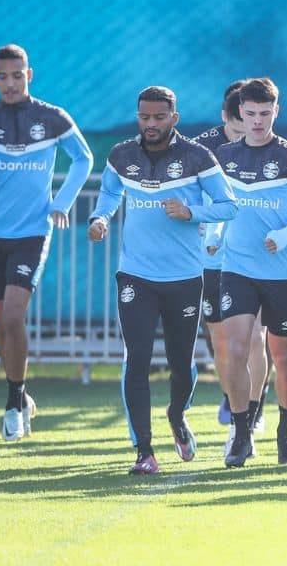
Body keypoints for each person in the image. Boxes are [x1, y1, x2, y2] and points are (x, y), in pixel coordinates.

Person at [88, 86, 238, 475]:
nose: (150, 124)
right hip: (136, 274)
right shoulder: (122, 154)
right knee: (135, 358)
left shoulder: (197, 157)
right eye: (144, 117)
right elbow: (108, 192)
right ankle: (143, 450)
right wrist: (100, 218)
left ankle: (176, 416)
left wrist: (191, 212)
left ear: (174, 117)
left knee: (180, 362)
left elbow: (229, 205)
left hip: (185, 278)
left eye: (158, 117)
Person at [0, 44, 92, 441]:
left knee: (12, 318)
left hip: (32, 233)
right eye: (3, 76)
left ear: (29, 74)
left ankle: (13, 402)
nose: (10, 83)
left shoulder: (52, 117)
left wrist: (60, 203)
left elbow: (84, 159)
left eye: (17, 75)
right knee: (1, 325)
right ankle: (23, 397)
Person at [210, 78, 287, 466]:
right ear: (240, 112)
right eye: (251, 113)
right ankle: (241, 434)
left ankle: (285, 434)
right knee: (235, 350)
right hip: (236, 269)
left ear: (276, 111)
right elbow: (218, 206)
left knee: (283, 356)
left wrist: (284, 235)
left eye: (265, 113)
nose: (257, 120)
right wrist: (213, 234)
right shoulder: (224, 156)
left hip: (280, 274)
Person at [194, 85, 272, 442]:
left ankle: (255, 408)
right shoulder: (202, 150)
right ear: (229, 116)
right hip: (212, 259)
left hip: (252, 259)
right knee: (222, 341)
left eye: (258, 120)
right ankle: (233, 397)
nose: (250, 133)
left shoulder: (269, 145)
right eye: (242, 125)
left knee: (255, 338)